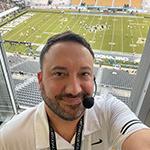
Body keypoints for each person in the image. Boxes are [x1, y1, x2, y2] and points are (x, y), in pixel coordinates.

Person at [0, 31, 150, 150]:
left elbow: (139, 138)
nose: (74, 89)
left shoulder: (110, 112)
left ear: (93, 79)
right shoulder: (8, 139)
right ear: (40, 80)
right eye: (59, 74)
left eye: (84, 74)